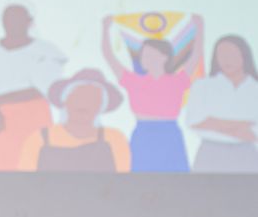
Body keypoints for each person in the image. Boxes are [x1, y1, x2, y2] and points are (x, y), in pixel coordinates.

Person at [0, 4, 67, 170]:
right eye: (8, 19)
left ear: (29, 22)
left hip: (26, 113)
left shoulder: (46, 51)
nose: (12, 23)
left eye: (18, 19)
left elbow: (43, 89)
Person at [101, 13, 203, 172]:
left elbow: (195, 56)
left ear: (164, 57)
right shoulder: (134, 81)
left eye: (149, 54)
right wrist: (105, 29)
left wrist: (199, 28)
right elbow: (109, 56)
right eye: (143, 55)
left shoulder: (177, 81)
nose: (144, 58)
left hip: (169, 134)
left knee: (175, 179)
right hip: (143, 134)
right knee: (140, 178)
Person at [17, 68, 130, 172]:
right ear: (65, 101)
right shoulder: (39, 139)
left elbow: (122, 182)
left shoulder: (114, 139)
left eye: (92, 98)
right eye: (78, 96)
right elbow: (25, 182)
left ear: (101, 106)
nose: (84, 103)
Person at [183, 35, 258, 173]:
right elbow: (195, 121)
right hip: (209, 153)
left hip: (246, 154)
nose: (226, 60)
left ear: (244, 55)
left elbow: (254, 134)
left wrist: (213, 123)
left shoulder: (255, 88)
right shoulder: (202, 85)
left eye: (231, 54)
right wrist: (244, 124)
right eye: (221, 55)